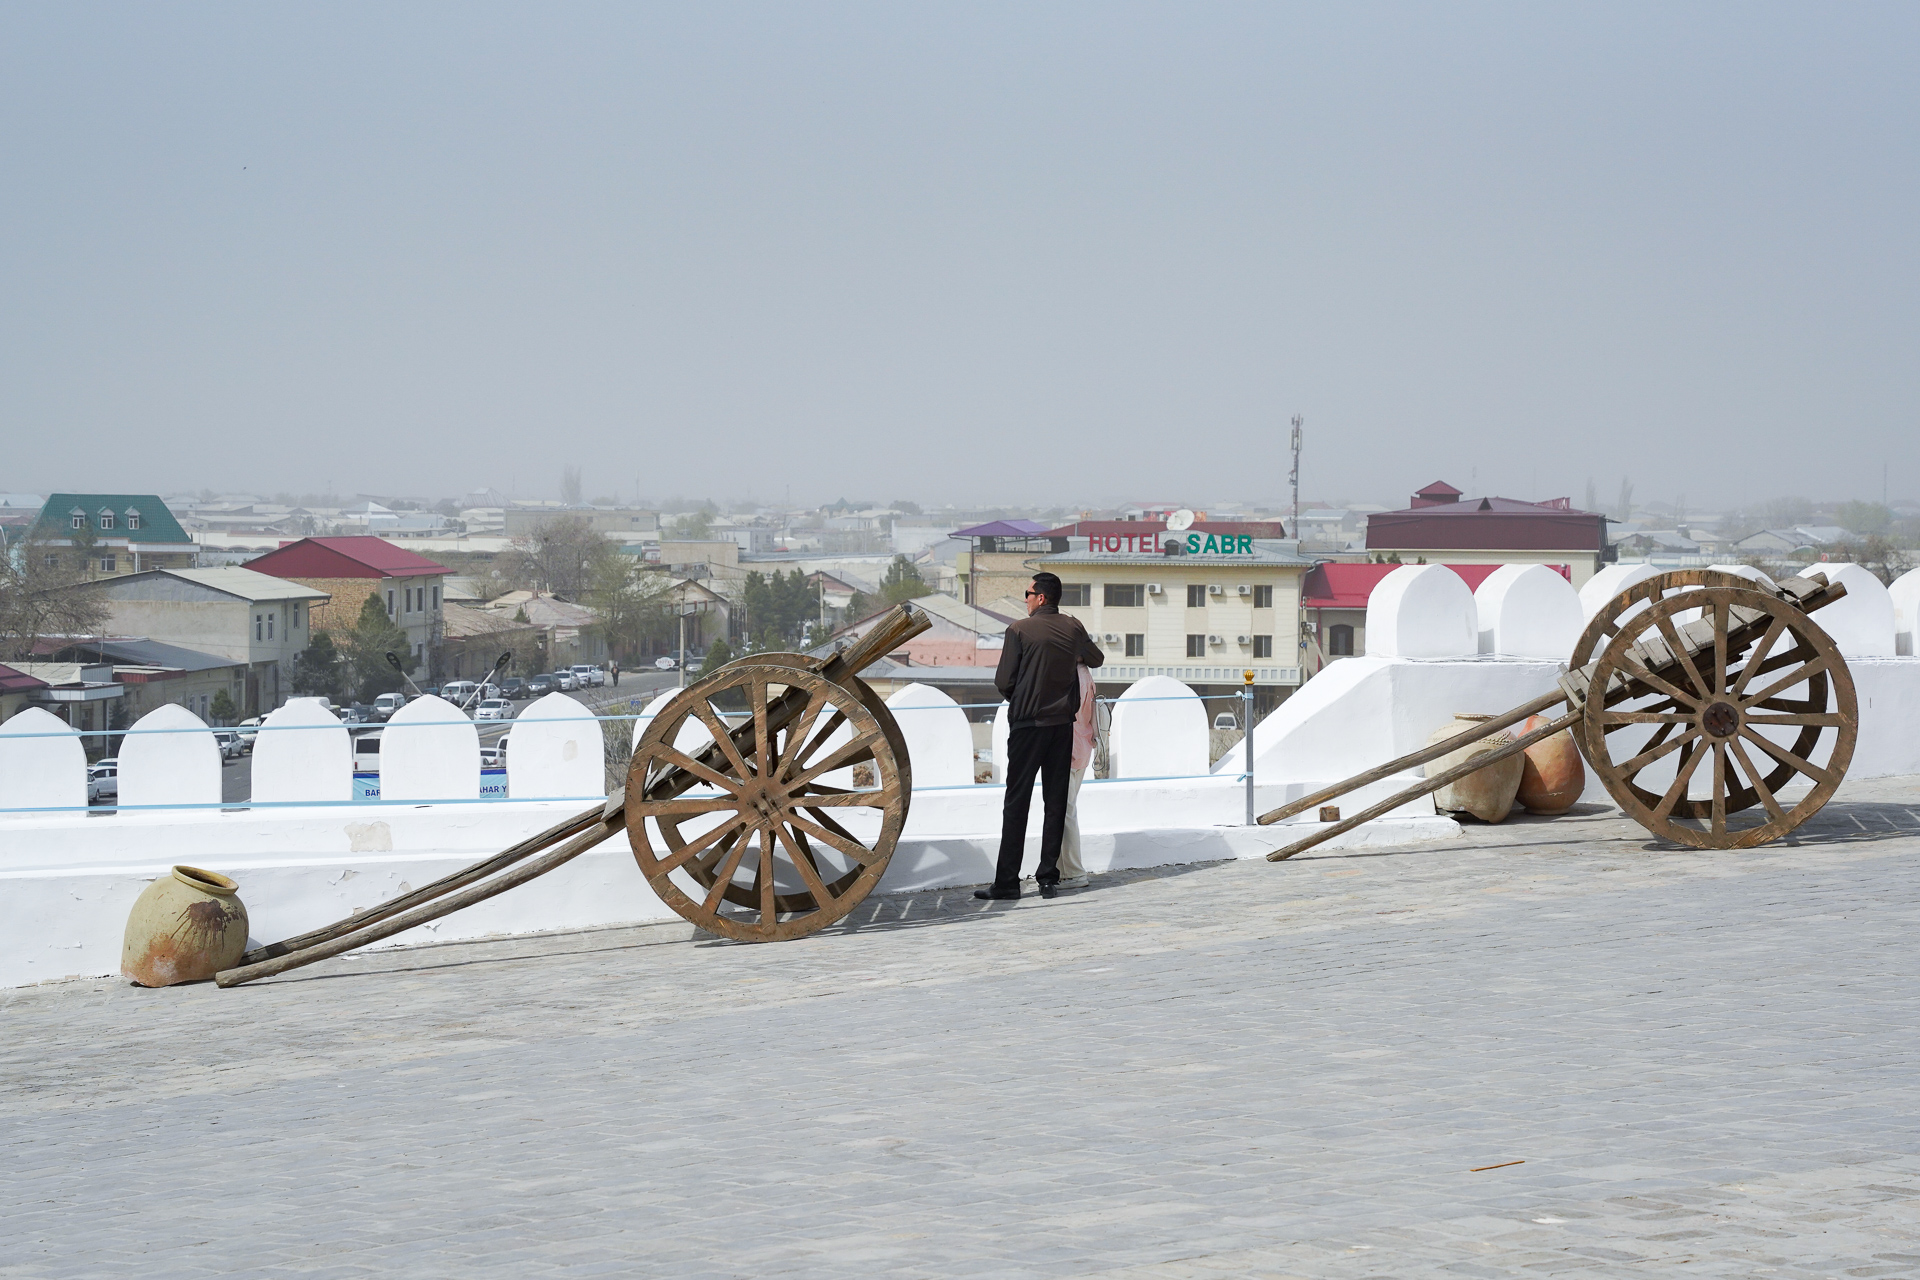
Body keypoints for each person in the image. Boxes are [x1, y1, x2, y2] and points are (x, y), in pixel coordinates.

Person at [977, 572, 1104, 901]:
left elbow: (1003, 681)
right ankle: (1048, 878)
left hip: (1027, 726)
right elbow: (1096, 659)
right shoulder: (1073, 627)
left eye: (1028, 593)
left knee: (1016, 803)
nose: (1026, 599)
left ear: (1041, 598)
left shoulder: (1019, 629)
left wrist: (1024, 694)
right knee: (1055, 803)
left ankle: (1007, 883)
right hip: (1061, 726)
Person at [1053, 663, 1098, 890]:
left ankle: (1074, 873)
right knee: (1065, 811)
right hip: (1081, 747)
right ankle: (1064, 871)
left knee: (1065, 812)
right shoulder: (1085, 674)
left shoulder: (1072, 676)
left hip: (1069, 749)